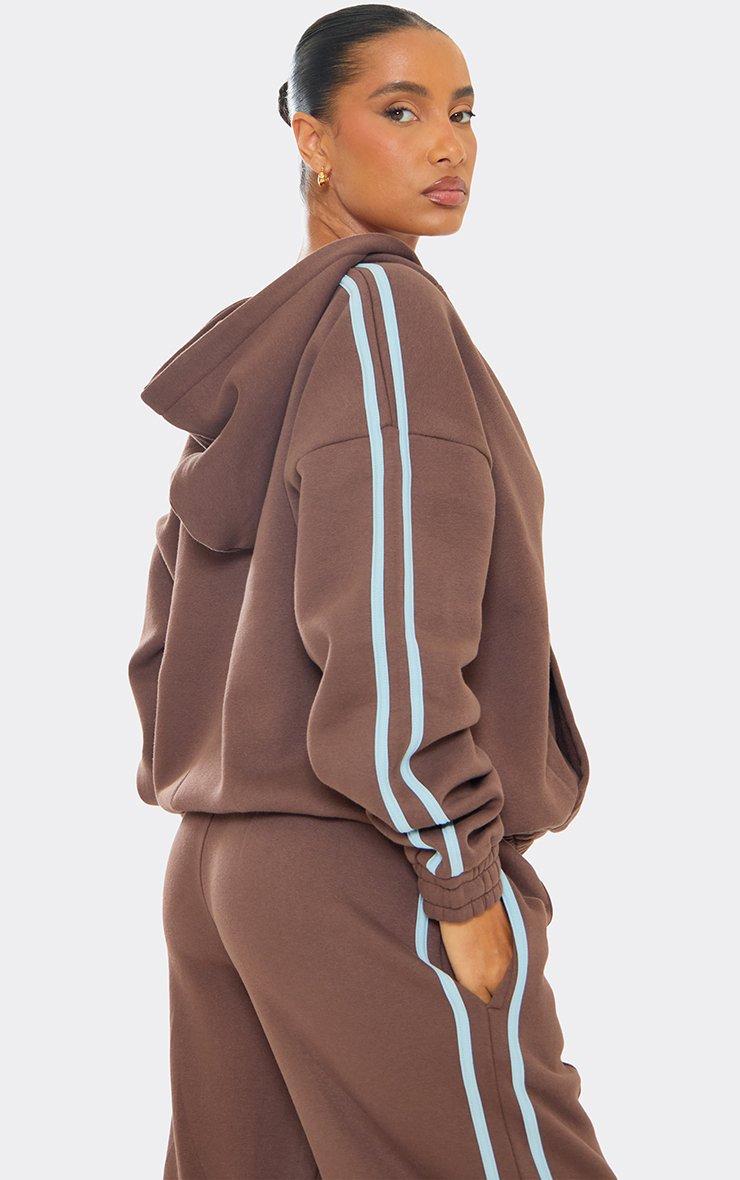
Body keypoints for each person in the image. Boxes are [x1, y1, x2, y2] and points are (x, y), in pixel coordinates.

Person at [128, 6, 617, 1178]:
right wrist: (454, 865)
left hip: (223, 864)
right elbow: (390, 616)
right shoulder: (386, 318)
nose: (449, 145)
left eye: (463, 113)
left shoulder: (269, 354)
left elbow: (165, 637)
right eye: (399, 111)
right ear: (310, 137)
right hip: (369, 863)